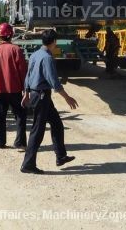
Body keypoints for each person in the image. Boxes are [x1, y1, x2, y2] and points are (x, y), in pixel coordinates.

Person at [20, 29, 79, 174]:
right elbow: (54, 82)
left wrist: (26, 93)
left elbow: (28, 75)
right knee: (37, 131)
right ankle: (28, 164)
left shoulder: (35, 54)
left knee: (57, 124)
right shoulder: (47, 57)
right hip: (41, 96)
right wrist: (67, 98)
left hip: (37, 94)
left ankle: (61, 156)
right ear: (54, 42)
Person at [0, 23, 28, 150]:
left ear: (0, 36)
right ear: (11, 35)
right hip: (15, 90)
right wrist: (26, 89)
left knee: (0, 117)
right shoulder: (16, 50)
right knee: (20, 115)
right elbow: (23, 71)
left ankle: (0, 142)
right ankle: (20, 143)